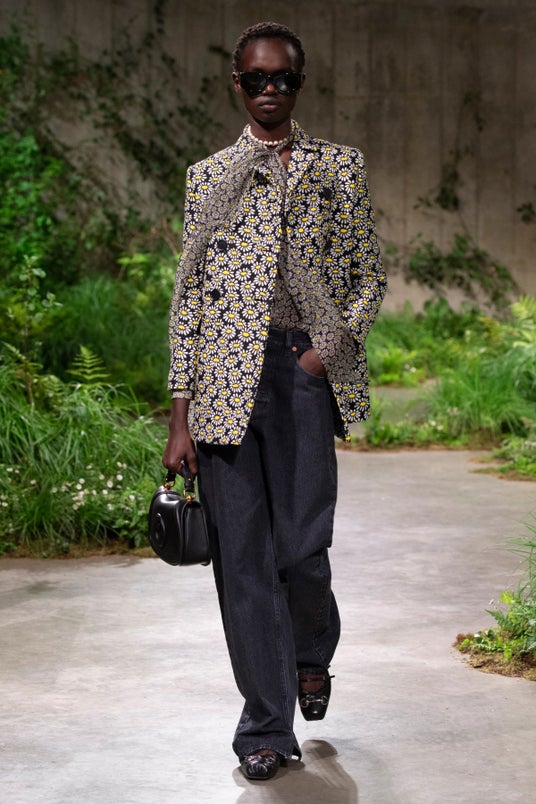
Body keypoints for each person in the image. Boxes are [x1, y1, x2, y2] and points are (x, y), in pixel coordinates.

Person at [163, 20, 387, 781]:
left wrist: (325, 352)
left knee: (303, 552)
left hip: (300, 374)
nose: (269, 89)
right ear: (237, 83)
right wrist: (180, 416)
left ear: (299, 83)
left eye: (282, 78)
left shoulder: (337, 167)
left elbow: (367, 278)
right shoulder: (209, 177)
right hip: (224, 385)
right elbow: (189, 300)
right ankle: (264, 728)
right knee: (244, 565)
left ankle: (312, 654)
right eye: (256, 78)